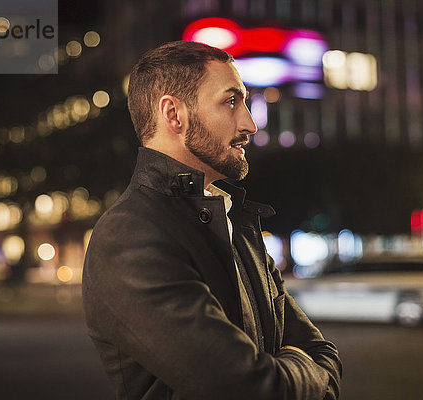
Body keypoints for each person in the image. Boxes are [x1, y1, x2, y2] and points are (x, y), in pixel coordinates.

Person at [82, 40, 341, 400]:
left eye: (245, 102)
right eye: (231, 101)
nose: (249, 123)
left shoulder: (236, 222)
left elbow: (324, 353)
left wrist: (295, 370)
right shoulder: (129, 236)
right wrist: (306, 374)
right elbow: (247, 389)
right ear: (174, 115)